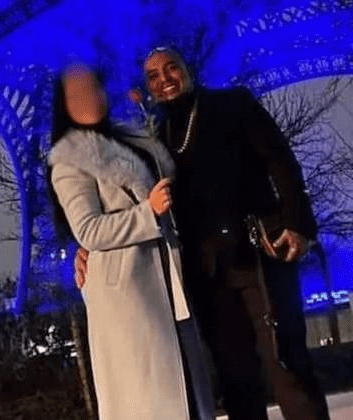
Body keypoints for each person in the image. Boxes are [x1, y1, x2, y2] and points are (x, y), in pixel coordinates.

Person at [76, 47, 331, 420]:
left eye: (171, 69)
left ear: (187, 70)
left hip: (258, 252)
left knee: (287, 365)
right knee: (236, 379)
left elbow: (280, 161)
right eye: (153, 75)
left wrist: (298, 223)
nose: (164, 79)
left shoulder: (233, 105)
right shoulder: (154, 139)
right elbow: (125, 203)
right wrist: (88, 247)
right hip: (206, 273)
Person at [48, 62, 212, 420]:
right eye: (79, 91)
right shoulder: (70, 160)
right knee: (154, 400)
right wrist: (148, 214)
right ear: (64, 103)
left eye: (94, 86)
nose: (92, 96)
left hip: (168, 284)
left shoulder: (127, 138)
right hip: (131, 296)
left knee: (190, 394)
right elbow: (88, 230)